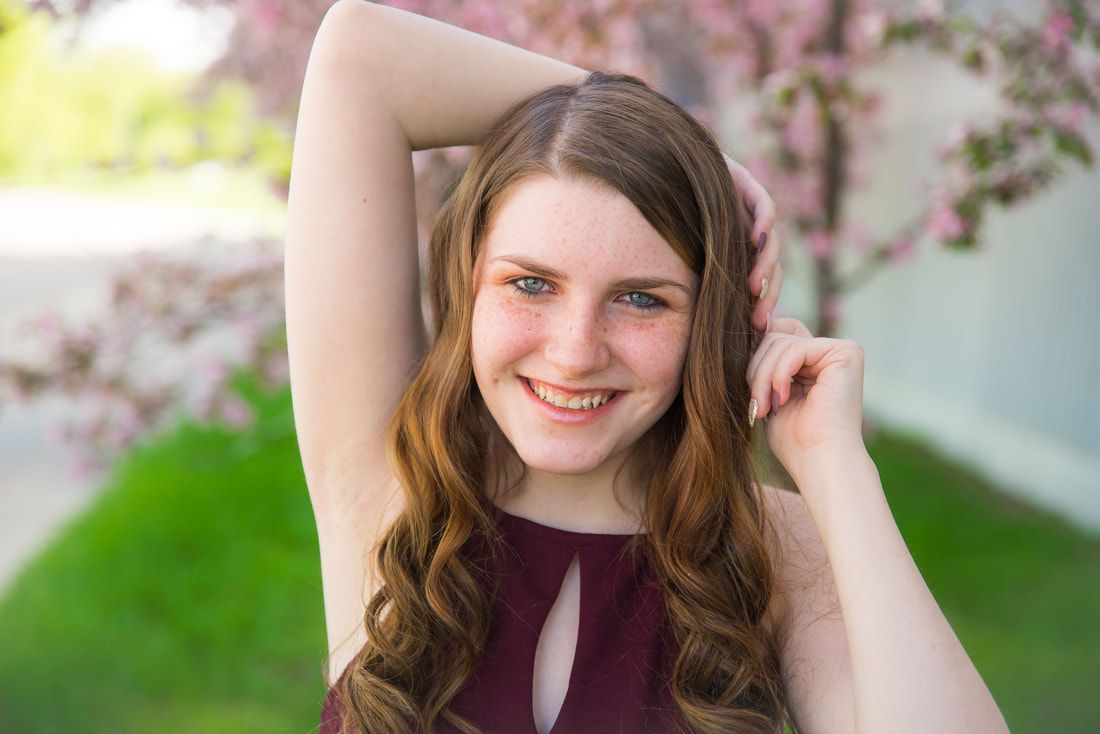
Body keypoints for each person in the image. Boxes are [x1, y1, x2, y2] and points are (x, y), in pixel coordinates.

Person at [285, 2, 1010, 733]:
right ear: (466, 284)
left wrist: (839, 472)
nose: (574, 352)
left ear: (710, 319)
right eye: (530, 284)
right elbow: (361, 57)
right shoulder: (391, 488)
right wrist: (684, 145)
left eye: (640, 299)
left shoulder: (771, 550)